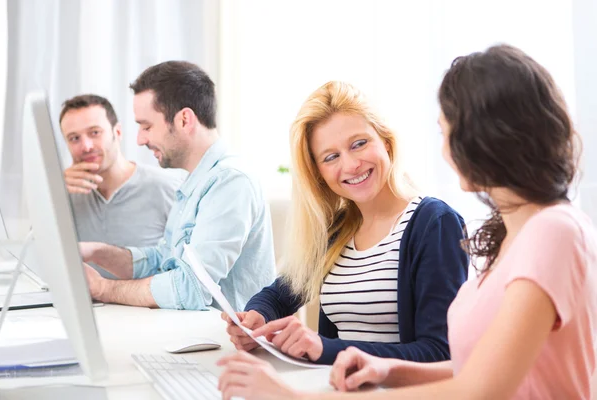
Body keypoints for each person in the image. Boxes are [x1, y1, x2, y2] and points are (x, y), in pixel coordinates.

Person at [216, 45, 597, 400]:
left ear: (485, 139)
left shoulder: (552, 232)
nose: (444, 148)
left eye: (446, 131)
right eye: (330, 156)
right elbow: (470, 370)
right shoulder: (513, 235)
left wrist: (297, 397)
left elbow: (479, 389)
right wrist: (386, 369)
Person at [222, 81, 469, 366]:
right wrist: (255, 319)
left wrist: (326, 348)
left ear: (386, 142)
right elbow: (278, 297)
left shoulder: (435, 224)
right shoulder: (338, 230)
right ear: (319, 174)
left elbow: (439, 353)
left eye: (359, 144)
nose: (351, 165)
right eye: (331, 157)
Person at [79, 61, 276, 310]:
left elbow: (190, 289)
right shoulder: (193, 182)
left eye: (146, 126)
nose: (140, 139)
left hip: (230, 341)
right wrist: (97, 252)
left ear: (184, 120)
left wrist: (102, 288)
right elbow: (163, 261)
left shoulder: (231, 182)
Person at [59, 94, 183, 278]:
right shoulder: (64, 194)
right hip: (88, 305)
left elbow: (187, 271)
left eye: (95, 132)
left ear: (117, 132)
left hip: (148, 305)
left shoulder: (166, 188)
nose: (86, 146)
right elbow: (38, 260)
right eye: (74, 138)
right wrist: (51, 195)